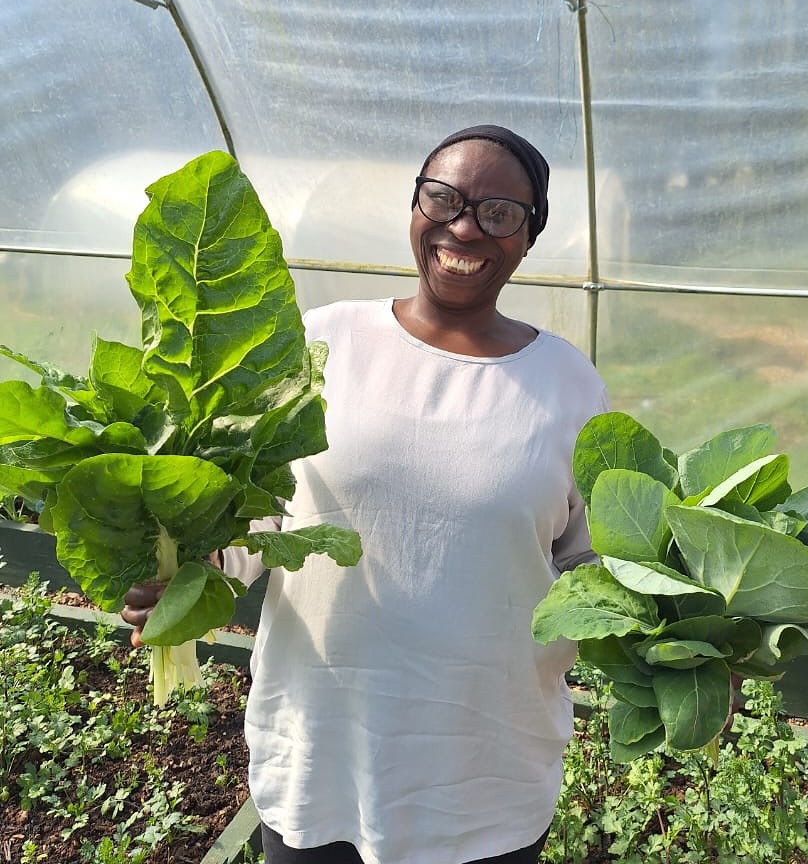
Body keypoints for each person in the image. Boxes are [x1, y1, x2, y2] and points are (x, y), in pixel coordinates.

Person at [122, 125, 610, 864]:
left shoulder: (568, 384)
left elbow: (587, 565)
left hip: (485, 774)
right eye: (443, 198)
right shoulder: (326, 341)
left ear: (529, 235)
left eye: (499, 212)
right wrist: (185, 578)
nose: (464, 227)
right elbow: (258, 518)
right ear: (415, 206)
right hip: (318, 754)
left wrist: (677, 643)